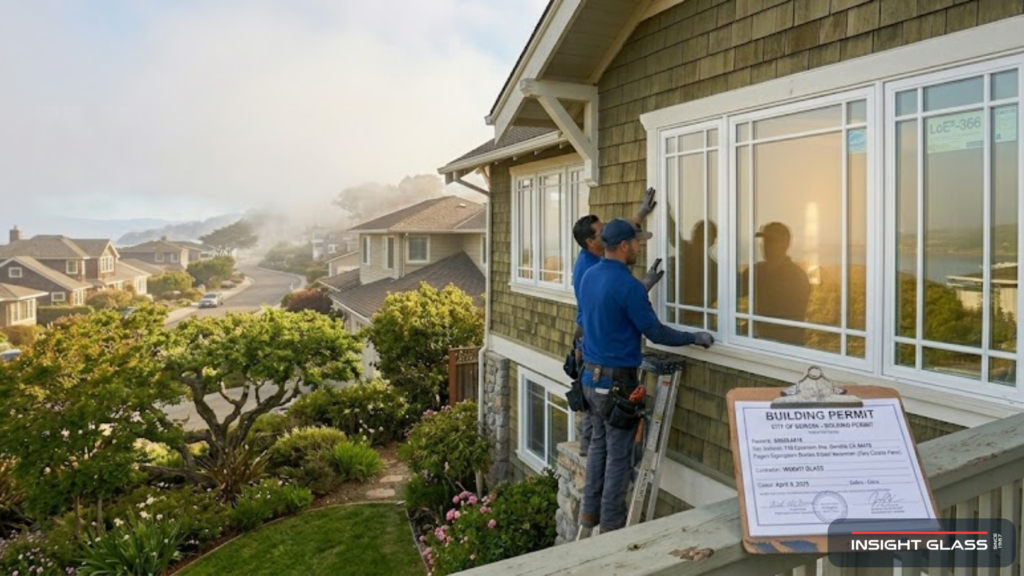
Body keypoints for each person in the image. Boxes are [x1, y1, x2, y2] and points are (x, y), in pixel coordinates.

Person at [577, 218, 714, 536]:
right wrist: (694, 337)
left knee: (598, 445)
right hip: (616, 385)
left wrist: (642, 287)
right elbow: (654, 331)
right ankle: (611, 528)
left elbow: (608, 308)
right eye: (638, 241)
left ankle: (589, 514)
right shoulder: (626, 286)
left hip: (590, 380)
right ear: (624, 245)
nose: (640, 246)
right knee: (619, 456)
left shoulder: (590, 276)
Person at [569, 188, 661, 457]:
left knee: (595, 408)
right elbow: (613, 304)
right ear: (591, 242)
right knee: (594, 410)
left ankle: (593, 450)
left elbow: (619, 235)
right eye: (601, 231)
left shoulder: (599, 255)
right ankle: (588, 449)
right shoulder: (587, 268)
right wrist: (642, 286)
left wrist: (641, 213)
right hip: (592, 335)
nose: (606, 232)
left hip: (597, 338)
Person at [739, 222, 810, 345]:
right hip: (760, 340)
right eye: (765, 241)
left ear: (784, 245)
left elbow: (788, 319)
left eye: (771, 241)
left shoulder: (796, 277)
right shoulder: (757, 270)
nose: (766, 246)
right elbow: (734, 290)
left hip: (783, 346)